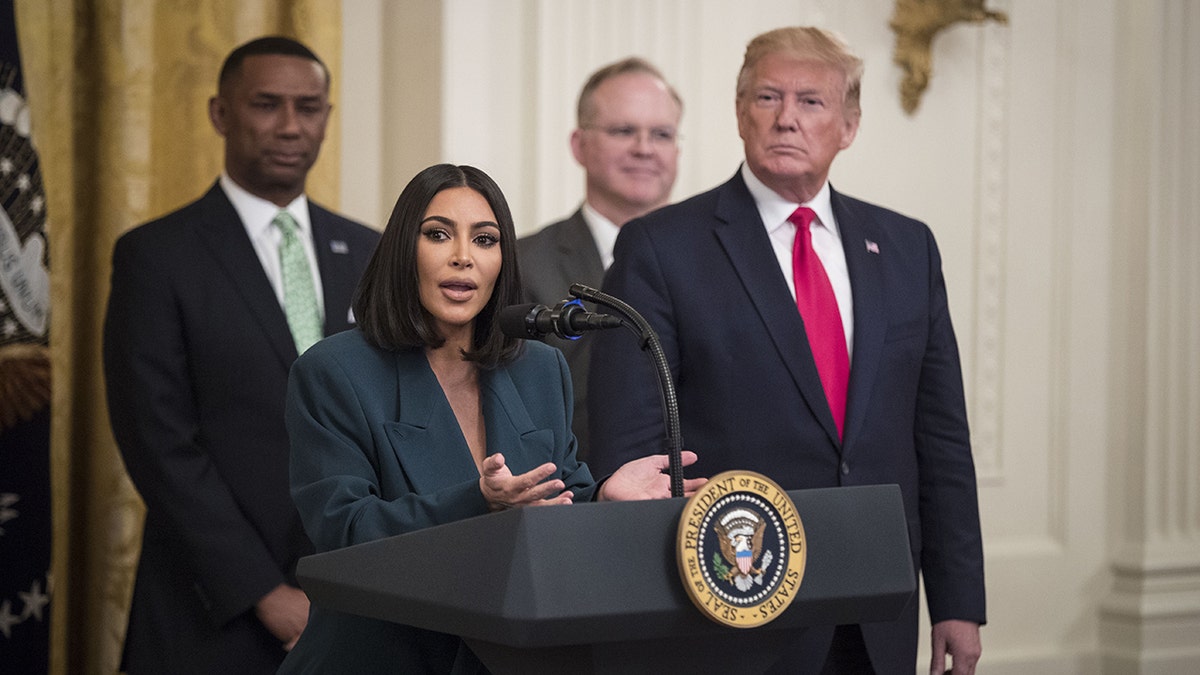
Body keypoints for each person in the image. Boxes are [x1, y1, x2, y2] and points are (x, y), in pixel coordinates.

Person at [587, 27, 985, 675]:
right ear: (740, 113)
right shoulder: (660, 248)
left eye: (811, 102)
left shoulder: (909, 248)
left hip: (875, 606)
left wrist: (958, 600)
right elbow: (630, 444)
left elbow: (940, 439)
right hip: (726, 612)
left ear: (849, 125)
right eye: (768, 96)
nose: (786, 118)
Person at [278, 163, 704, 674]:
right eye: (438, 235)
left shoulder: (540, 368)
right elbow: (345, 531)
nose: (463, 257)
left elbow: (557, 493)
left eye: (485, 239)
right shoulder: (333, 371)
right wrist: (478, 503)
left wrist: (604, 495)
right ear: (402, 252)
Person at [102, 36, 380, 674]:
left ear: (327, 119)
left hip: (354, 602)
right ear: (220, 114)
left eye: (308, 107)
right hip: (210, 609)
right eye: (266, 105)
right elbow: (159, 443)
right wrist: (264, 593)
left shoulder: (370, 252)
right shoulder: (156, 256)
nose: (290, 126)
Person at [516, 57, 682, 460]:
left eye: (661, 134)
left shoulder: (711, 265)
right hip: (571, 500)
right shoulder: (521, 265)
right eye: (624, 131)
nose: (644, 149)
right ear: (579, 145)